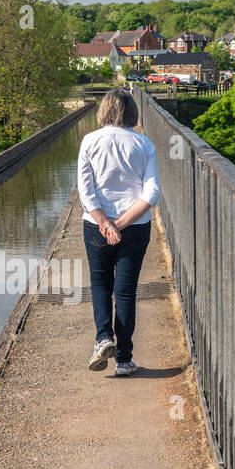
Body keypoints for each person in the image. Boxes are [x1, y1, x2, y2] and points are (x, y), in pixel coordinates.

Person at [77, 88, 160, 376]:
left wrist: (105, 223)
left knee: (100, 284)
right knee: (125, 292)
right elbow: (152, 194)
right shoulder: (144, 144)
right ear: (131, 112)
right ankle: (124, 359)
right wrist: (121, 224)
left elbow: (86, 191)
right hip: (135, 227)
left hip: (96, 226)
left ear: (104, 110)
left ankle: (103, 339)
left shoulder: (89, 141)